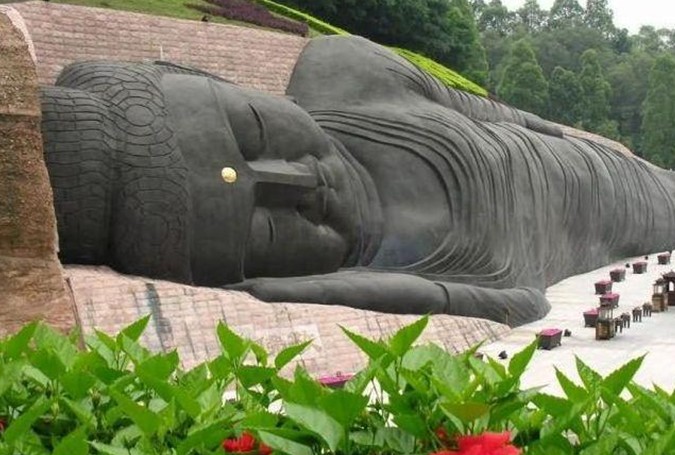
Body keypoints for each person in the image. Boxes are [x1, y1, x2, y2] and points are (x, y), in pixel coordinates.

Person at [41, 36, 675, 326]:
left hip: (600, 168)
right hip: (602, 231)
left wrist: (562, 136)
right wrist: (301, 292)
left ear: (225, 85)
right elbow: (519, 303)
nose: (299, 182)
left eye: (256, 133)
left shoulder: (345, 71)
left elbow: (496, 113)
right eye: (267, 228)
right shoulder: (408, 270)